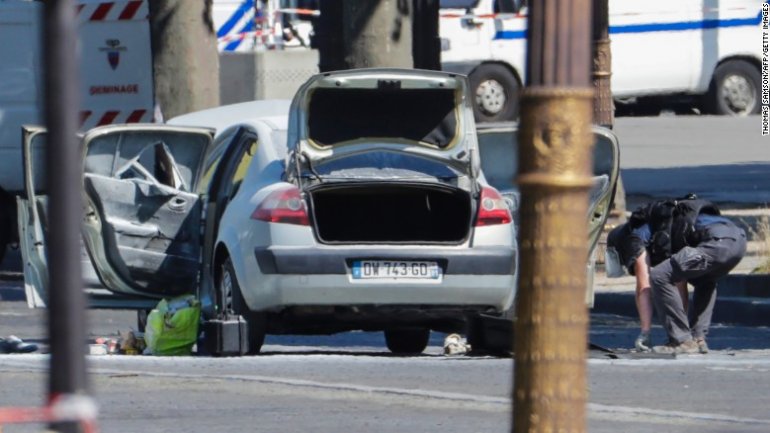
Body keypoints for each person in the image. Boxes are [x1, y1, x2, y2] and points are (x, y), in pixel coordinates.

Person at [626, 195, 746, 354]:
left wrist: (645, 332)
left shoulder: (641, 232)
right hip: (739, 241)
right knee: (704, 280)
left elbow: (645, 278)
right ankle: (698, 338)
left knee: (658, 275)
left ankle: (681, 340)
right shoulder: (676, 217)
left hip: (715, 243)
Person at [606, 223, 688, 351]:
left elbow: (644, 286)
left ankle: (646, 334)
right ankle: (682, 333)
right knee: (679, 278)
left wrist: (645, 333)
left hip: (650, 237)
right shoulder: (657, 228)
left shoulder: (630, 239)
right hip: (673, 232)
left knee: (644, 282)